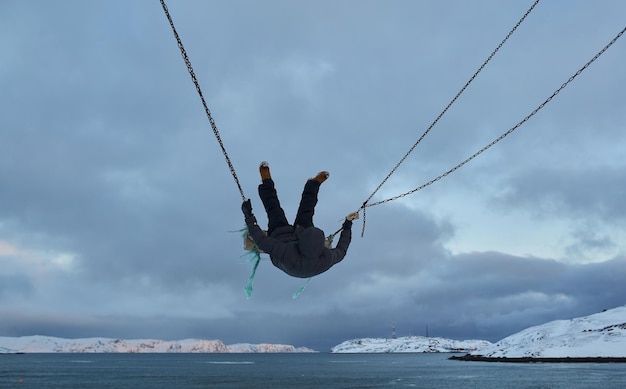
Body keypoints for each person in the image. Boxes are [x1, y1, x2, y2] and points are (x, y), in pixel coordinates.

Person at [242, 161, 358, 278]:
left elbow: (260, 239)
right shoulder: (328, 257)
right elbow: (342, 251)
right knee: (307, 211)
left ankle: (266, 180)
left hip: (281, 238)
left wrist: (248, 215)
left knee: (274, 209)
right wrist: (348, 223)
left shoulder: (285, 253)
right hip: (300, 241)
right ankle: (313, 184)